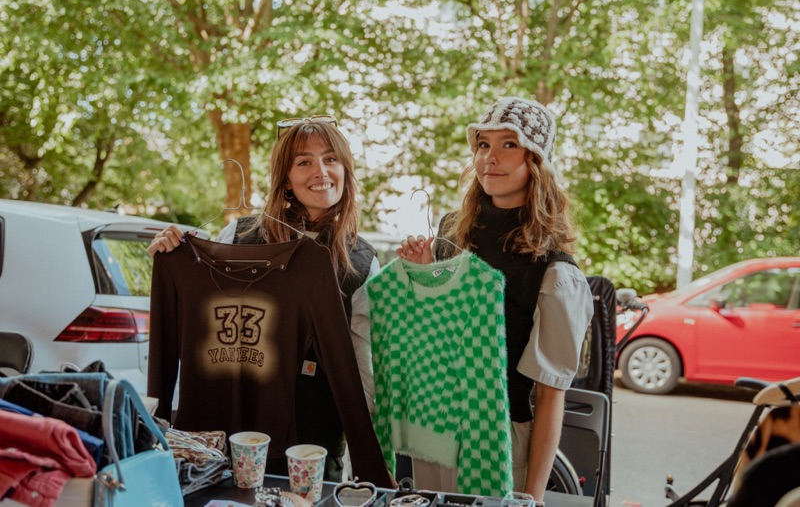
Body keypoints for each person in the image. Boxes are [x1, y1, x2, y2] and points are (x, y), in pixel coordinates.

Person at [148, 115, 379, 482]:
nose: (320, 171)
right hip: (226, 435)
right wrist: (170, 258)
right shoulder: (239, 236)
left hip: (310, 446)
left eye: (330, 158)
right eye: (304, 161)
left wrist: (365, 462)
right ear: (285, 178)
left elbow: (365, 371)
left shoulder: (362, 261)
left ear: (345, 170)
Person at [396, 97, 593, 500]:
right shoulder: (453, 231)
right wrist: (425, 273)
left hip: (497, 439)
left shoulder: (553, 271)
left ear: (536, 161)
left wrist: (533, 497)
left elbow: (549, 396)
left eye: (509, 145)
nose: (490, 157)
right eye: (483, 144)